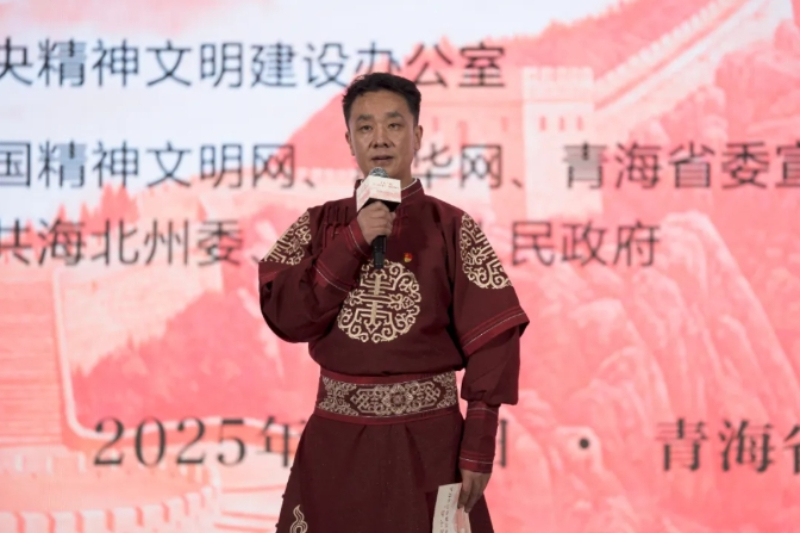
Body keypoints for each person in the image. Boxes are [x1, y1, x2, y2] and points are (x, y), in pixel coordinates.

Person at [258, 72, 529, 533]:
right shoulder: (317, 225)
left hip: (430, 443)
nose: (379, 139)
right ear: (349, 141)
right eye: (365, 127)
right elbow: (286, 316)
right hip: (337, 443)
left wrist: (478, 445)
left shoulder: (452, 227)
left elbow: (495, 340)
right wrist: (353, 240)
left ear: (417, 136)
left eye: (394, 125)